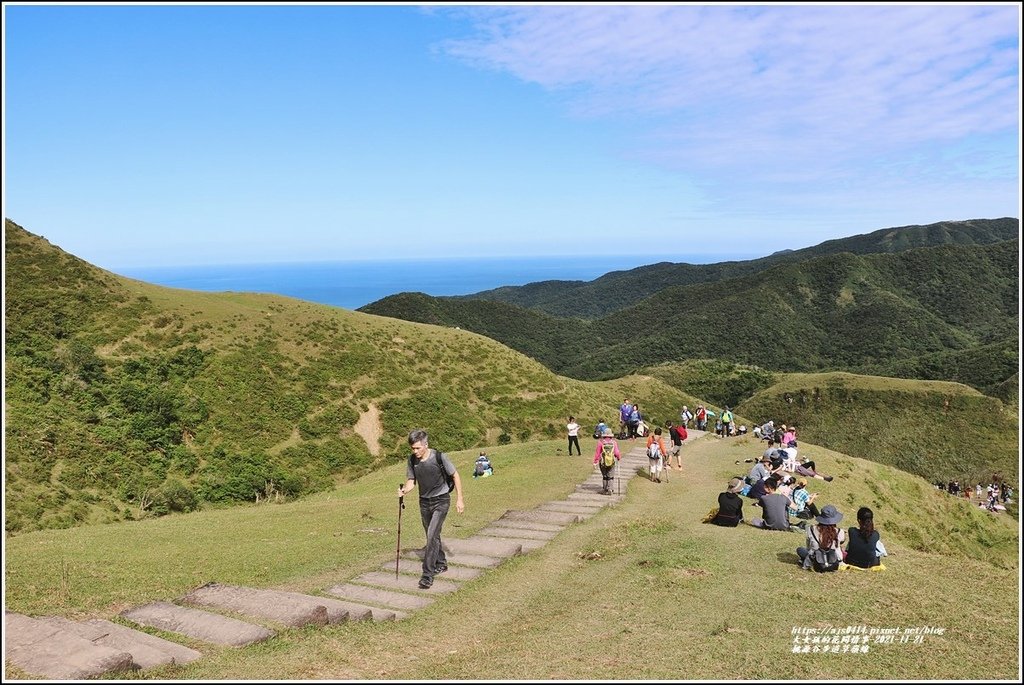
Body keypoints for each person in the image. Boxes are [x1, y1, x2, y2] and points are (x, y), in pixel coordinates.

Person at [400, 429, 464, 589]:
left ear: (425, 445)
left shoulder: (439, 457)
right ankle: (441, 563)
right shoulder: (412, 460)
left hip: (441, 501)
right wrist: (404, 490)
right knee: (433, 536)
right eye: (412, 448)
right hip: (424, 502)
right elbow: (411, 480)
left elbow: (455, 475)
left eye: (417, 448)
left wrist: (460, 499)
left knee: (431, 536)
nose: (415, 452)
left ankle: (427, 575)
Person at [797, 505, 846, 571]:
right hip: (834, 561)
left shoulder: (811, 529)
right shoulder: (840, 532)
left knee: (800, 550)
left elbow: (808, 547)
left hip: (815, 560)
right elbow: (841, 543)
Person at [593, 427, 621, 495]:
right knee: (610, 476)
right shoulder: (613, 442)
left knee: (605, 476)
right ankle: (610, 489)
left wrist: (595, 462)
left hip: (602, 462)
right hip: (611, 461)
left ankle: (605, 489)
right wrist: (618, 457)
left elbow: (597, 453)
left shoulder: (600, 442)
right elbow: (617, 452)